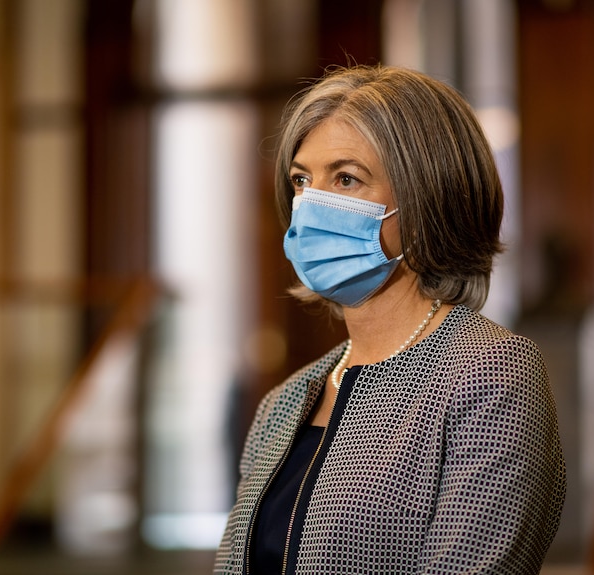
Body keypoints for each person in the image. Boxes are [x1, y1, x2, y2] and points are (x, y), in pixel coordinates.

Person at [214, 64, 566, 575]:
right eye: (301, 180)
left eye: (347, 178)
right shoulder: (284, 402)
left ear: (427, 198)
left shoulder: (491, 373)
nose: (312, 205)